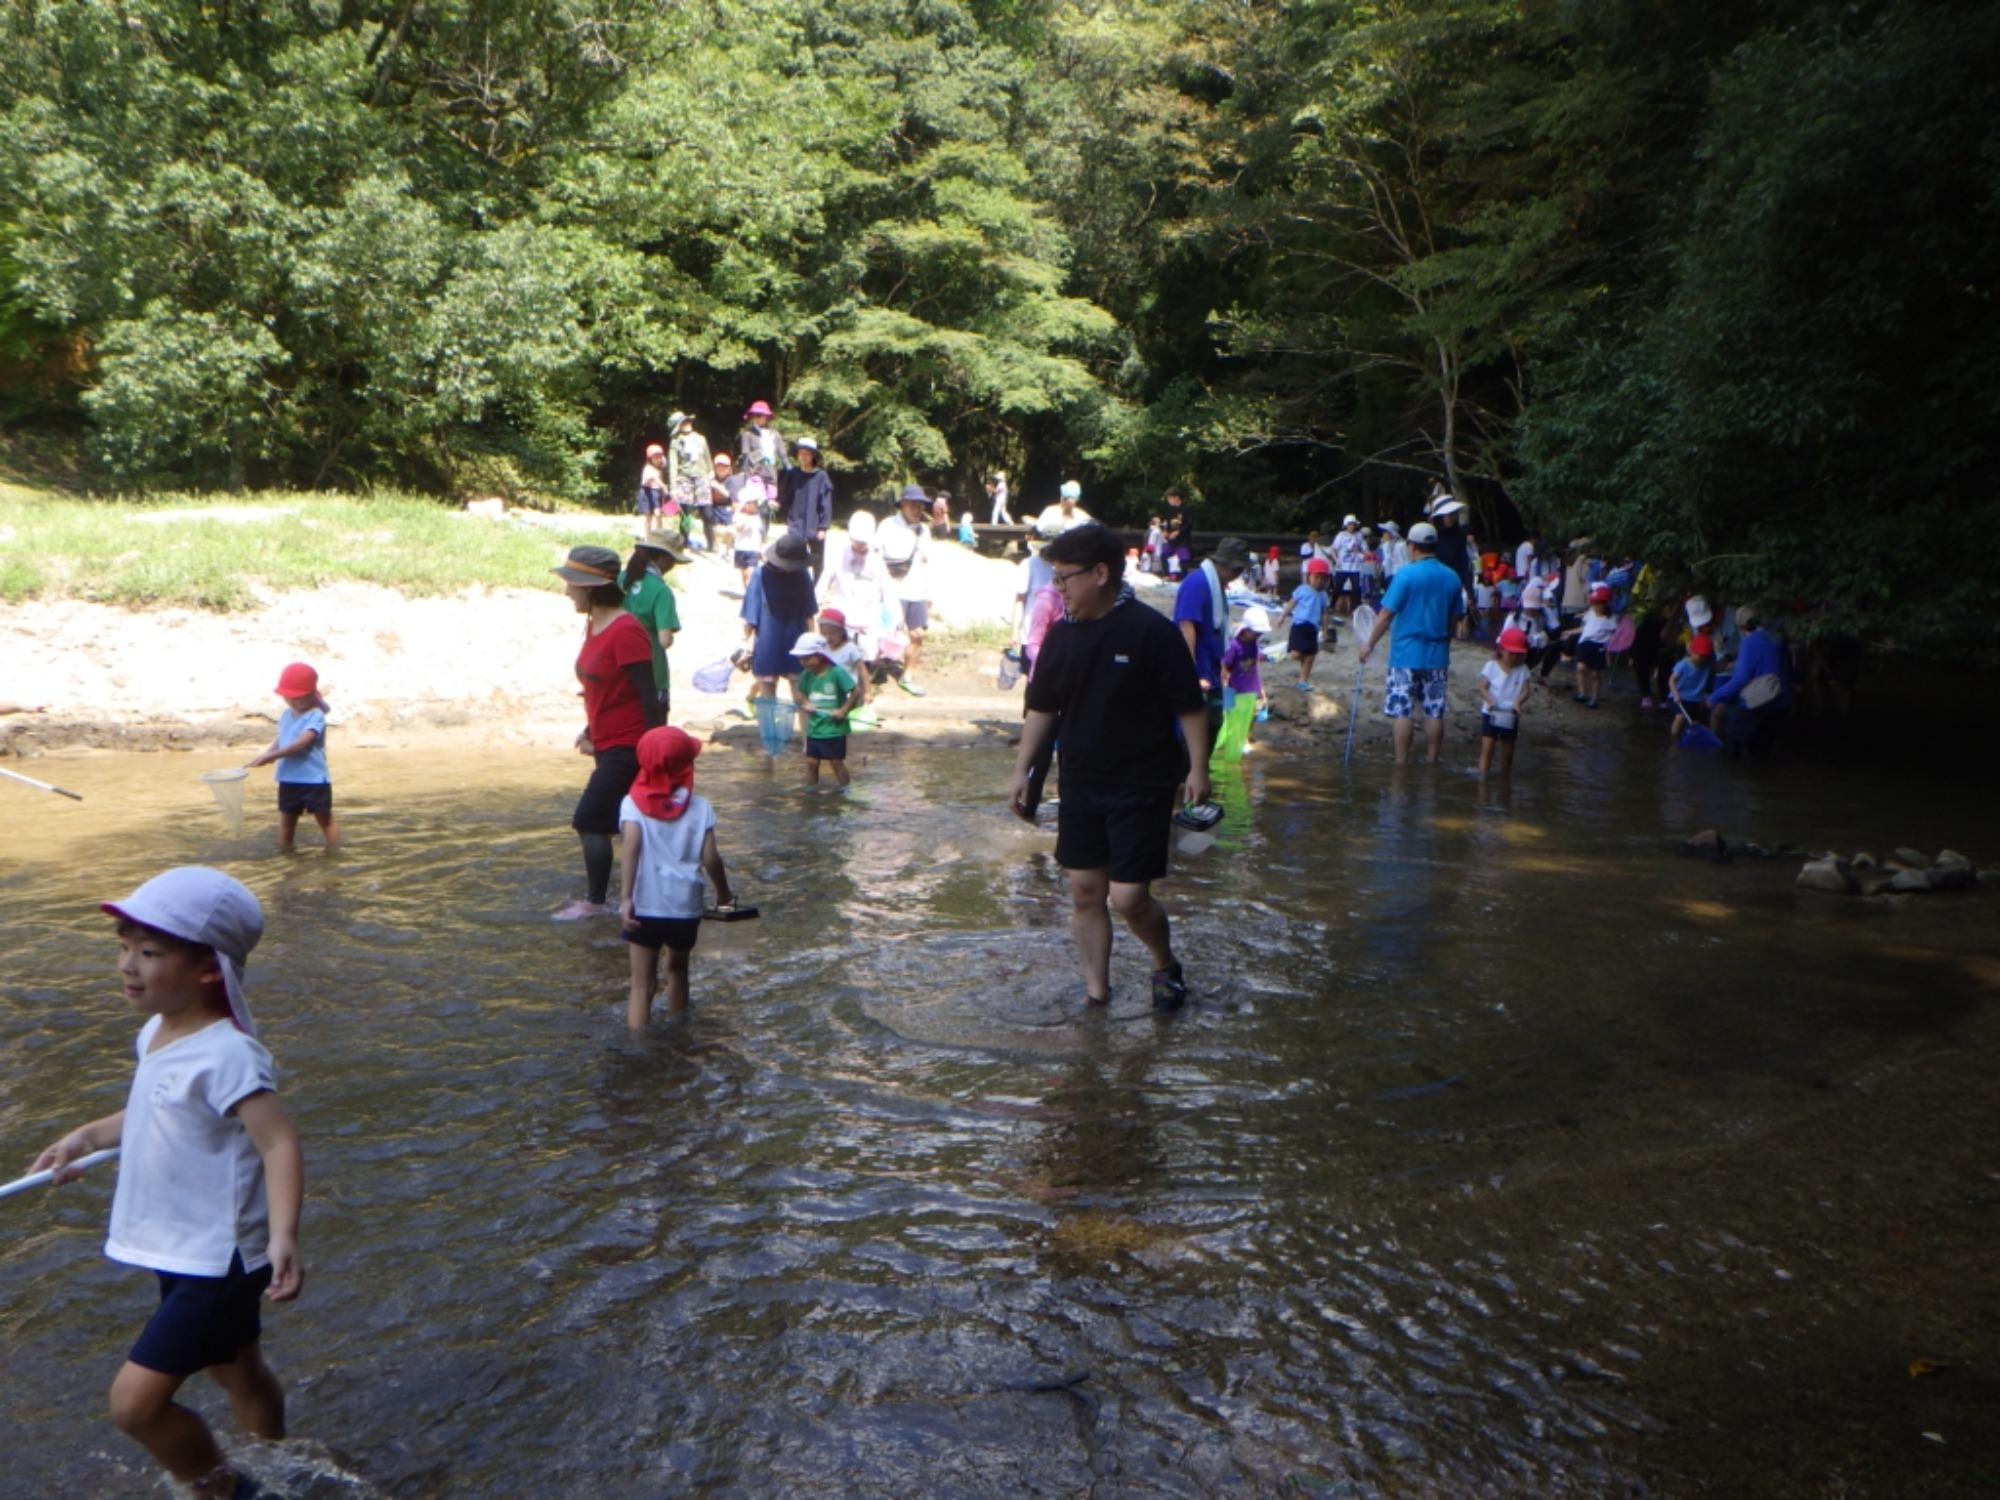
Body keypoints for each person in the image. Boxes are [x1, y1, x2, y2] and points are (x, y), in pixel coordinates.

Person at [31, 867, 303, 1500]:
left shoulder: (228, 1054)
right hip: (179, 1243)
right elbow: (157, 1109)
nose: (128, 965)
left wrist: (284, 1236)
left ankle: (228, 1491)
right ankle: (279, 1463)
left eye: (149, 952)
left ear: (209, 969)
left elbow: (278, 1140)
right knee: (234, 1368)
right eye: (124, 947)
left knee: (135, 1405)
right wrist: (88, 1137)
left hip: (220, 1256)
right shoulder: (156, 1031)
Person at [1009, 524, 1209, 1011]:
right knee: (1084, 890)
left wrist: (1197, 770)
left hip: (1143, 780)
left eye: (1064, 579)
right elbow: (1042, 709)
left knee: (1128, 896)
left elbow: (1190, 706)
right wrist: (1022, 770)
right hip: (1080, 778)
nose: (1059, 589)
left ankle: (1163, 962)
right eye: (1054, 580)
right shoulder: (1060, 637)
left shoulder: (1150, 632)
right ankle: (1096, 993)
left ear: (1100, 573)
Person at [554, 545, 664, 920]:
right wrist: (590, 729)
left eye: (572, 585)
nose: (567, 592)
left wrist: (654, 753)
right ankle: (648, 894)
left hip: (631, 744)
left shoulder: (626, 630)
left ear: (591, 588)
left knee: (589, 819)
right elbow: (606, 686)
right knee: (631, 823)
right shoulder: (594, 624)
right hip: (607, 741)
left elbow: (649, 696)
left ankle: (596, 903)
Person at [618, 726, 733, 1028]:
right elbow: (711, 859)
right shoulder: (700, 807)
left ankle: (639, 1050)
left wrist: (626, 898)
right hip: (685, 907)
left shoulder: (632, 805)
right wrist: (724, 895)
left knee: (640, 986)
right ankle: (679, 1036)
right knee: (678, 972)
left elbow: (630, 847)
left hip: (645, 906)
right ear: (687, 766)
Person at [1357, 521, 1465, 765]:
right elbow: (1455, 617)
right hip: (1437, 655)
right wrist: (1445, 640)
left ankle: (1401, 764)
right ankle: (1432, 762)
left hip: (1405, 655)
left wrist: (1368, 644)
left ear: (1412, 546)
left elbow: (1385, 615)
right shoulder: (1452, 577)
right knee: (1433, 711)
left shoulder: (1405, 575)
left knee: (1402, 711)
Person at [242, 663, 339, 853]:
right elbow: (283, 738)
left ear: (311, 694)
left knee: (325, 821)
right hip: (288, 778)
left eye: (298, 697)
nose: (292, 701)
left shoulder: (315, 716)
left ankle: (334, 853)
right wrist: (266, 753)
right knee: (286, 823)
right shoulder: (286, 715)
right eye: (288, 697)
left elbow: (301, 743)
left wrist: (272, 757)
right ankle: (286, 856)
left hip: (314, 780)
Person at [1173, 535, 1252, 737]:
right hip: (1199, 673)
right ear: (1226, 565)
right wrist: (1191, 672)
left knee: (1212, 728)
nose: (1238, 574)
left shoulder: (1216, 586)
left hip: (1213, 671)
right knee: (1190, 736)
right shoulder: (1198, 583)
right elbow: (1186, 624)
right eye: (1237, 570)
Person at [740, 533, 819, 720]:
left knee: (776, 698)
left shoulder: (760, 574)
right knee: (798, 697)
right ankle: (808, 744)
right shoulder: (800, 574)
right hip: (786, 644)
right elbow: (810, 615)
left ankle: (771, 744)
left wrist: (748, 645)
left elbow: (749, 620)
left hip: (772, 645)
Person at [1706, 601, 1792, 758]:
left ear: (1742, 626)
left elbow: (1740, 679)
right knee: (1760, 750)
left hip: (1757, 703)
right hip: (1780, 703)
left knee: (1732, 744)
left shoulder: (1749, 642)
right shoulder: (1777, 637)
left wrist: (1714, 697)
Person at [620, 531, 687, 720]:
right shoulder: (661, 591)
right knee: (653, 740)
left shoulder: (620, 579)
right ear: (664, 560)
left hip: (618, 669)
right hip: (651, 672)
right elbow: (664, 640)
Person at [877, 483, 934, 696]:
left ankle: (907, 675)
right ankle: (876, 668)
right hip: (893, 590)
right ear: (902, 505)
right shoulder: (887, 526)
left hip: (917, 591)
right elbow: (876, 557)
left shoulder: (924, 531)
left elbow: (927, 562)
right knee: (886, 633)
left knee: (917, 634)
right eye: (913, 505)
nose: (918, 509)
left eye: (921, 505)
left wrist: (929, 593)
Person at [818, 511, 893, 669]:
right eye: (857, 540)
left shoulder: (876, 560)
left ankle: (862, 685)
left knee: (864, 660)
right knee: (840, 658)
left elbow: (887, 589)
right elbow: (824, 582)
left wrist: (894, 618)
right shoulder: (838, 556)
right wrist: (814, 603)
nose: (860, 544)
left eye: (864, 541)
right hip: (843, 615)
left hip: (868, 616)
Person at [791, 633, 863, 788]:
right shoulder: (806, 675)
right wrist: (806, 703)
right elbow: (800, 694)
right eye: (800, 658)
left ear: (820, 655)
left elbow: (856, 691)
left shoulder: (836, 672)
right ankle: (811, 791)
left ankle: (845, 789)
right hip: (815, 728)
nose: (803, 662)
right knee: (811, 761)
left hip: (834, 730)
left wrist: (843, 710)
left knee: (836, 762)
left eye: (806, 658)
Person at [1478, 626, 1533, 777]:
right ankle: (1483, 777)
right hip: (1491, 712)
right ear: (1501, 650)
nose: (1515, 657)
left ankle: (1504, 777)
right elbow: (1482, 687)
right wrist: (1490, 700)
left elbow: (1526, 690)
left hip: (1510, 714)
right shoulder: (1491, 666)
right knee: (1487, 748)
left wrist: (1518, 703)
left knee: (1507, 751)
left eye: (1518, 654)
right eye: (1511, 653)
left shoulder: (1523, 669)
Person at [1218, 606, 1270, 757]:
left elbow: (1255, 662)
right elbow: (1226, 666)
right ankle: (1237, 737)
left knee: (1252, 713)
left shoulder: (1254, 643)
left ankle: (1245, 737)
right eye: (1257, 633)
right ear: (1246, 630)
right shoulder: (1235, 646)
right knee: (1237, 715)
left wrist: (1262, 689)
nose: (1259, 636)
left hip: (1252, 685)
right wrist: (1225, 684)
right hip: (1238, 687)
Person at [779, 435, 834, 578]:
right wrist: (778, 503)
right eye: (800, 453)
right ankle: (797, 588)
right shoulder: (793, 474)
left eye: (807, 454)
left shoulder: (821, 476)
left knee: (817, 560)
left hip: (814, 525)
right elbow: (787, 496)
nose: (803, 457)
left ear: (813, 455)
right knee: (794, 558)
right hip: (796, 522)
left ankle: (817, 591)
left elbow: (826, 503)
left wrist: (823, 527)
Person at [1275, 556, 1331, 690]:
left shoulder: (1323, 595)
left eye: (1323, 578)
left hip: (1313, 628)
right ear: (1309, 576)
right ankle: (1291, 650)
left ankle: (1302, 680)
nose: (1319, 581)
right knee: (1296, 654)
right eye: (1316, 577)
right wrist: (1282, 615)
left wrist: (1325, 629)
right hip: (1299, 625)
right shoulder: (1302, 590)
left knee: (1310, 656)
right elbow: (1292, 603)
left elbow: (1325, 614)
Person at [1563, 581, 1616, 708]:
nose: (1596, 607)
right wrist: (1571, 632)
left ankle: (1594, 698)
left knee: (1595, 674)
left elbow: (1613, 637)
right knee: (1580, 668)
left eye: (1598, 604)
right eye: (1594, 604)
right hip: (1584, 643)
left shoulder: (1611, 619)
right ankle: (1582, 693)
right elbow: (1585, 628)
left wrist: (1609, 653)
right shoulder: (1590, 613)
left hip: (1599, 647)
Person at [666, 413, 712, 549]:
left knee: (707, 513)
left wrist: (711, 472)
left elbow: (707, 458)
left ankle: (711, 544)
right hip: (684, 478)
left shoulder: (701, 439)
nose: (687, 424)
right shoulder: (675, 442)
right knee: (686, 513)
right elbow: (673, 465)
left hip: (702, 478)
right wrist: (673, 487)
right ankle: (683, 542)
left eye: (687, 421)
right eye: (683, 423)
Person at [737, 400, 785, 518]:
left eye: (761, 415)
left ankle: (764, 533)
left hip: (772, 476)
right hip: (755, 475)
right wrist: (746, 477)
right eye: (755, 415)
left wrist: (791, 471)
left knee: (769, 508)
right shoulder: (747, 434)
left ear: (767, 417)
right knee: (760, 507)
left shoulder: (774, 434)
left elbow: (783, 455)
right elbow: (746, 457)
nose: (758, 418)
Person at [1668, 634, 1716, 743]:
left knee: (1695, 722)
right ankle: (1674, 740)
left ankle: (1688, 739)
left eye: (1705, 656)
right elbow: (1671, 680)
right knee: (1680, 717)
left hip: (1695, 700)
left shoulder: (1707, 665)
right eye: (1700, 655)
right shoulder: (1683, 665)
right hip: (1679, 698)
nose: (1702, 659)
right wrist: (1675, 694)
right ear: (1692, 652)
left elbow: (1718, 667)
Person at [815, 607, 870, 703]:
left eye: (832, 634)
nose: (828, 637)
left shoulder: (850, 649)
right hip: (828, 694)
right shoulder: (822, 648)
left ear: (841, 631)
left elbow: (862, 670)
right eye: (824, 634)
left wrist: (867, 692)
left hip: (848, 695)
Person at [726, 455, 764, 588]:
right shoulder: (739, 515)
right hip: (741, 548)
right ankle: (746, 590)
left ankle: (750, 589)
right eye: (752, 503)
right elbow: (737, 528)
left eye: (755, 503)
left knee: (750, 572)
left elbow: (759, 533)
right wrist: (746, 520)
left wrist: (760, 548)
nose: (754, 505)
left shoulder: (757, 517)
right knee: (743, 572)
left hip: (753, 548)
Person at [1331, 515, 1366, 621]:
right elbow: (1333, 549)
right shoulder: (1341, 536)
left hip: (1355, 566)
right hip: (1343, 566)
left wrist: (1360, 554)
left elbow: (1365, 550)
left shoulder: (1359, 536)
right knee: (1338, 587)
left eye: (1353, 524)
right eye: (1350, 524)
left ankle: (1356, 610)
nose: (1352, 526)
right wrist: (1336, 559)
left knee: (1356, 589)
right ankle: (1331, 606)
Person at [1160, 485, 1194, 577]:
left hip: (1183, 539)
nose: (1169, 501)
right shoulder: (1170, 509)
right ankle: (1166, 575)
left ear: (1176, 497)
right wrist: (1165, 531)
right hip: (1172, 539)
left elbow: (1189, 524)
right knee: (1164, 555)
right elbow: (1167, 522)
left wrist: (1179, 532)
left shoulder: (1186, 509)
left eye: (1170, 498)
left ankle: (1184, 578)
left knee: (1184, 560)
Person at [636, 443, 668, 537]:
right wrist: (663, 486)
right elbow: (655, 478)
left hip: (656, 491)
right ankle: (648, 537)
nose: (658, 459)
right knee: (648, 516)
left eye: (659, 457)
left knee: (658, 514)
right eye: (655, 457)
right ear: (650, 458)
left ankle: (659, 536)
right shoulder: (648, 468)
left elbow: (664, 462)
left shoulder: (660, 467)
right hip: (646, 492)